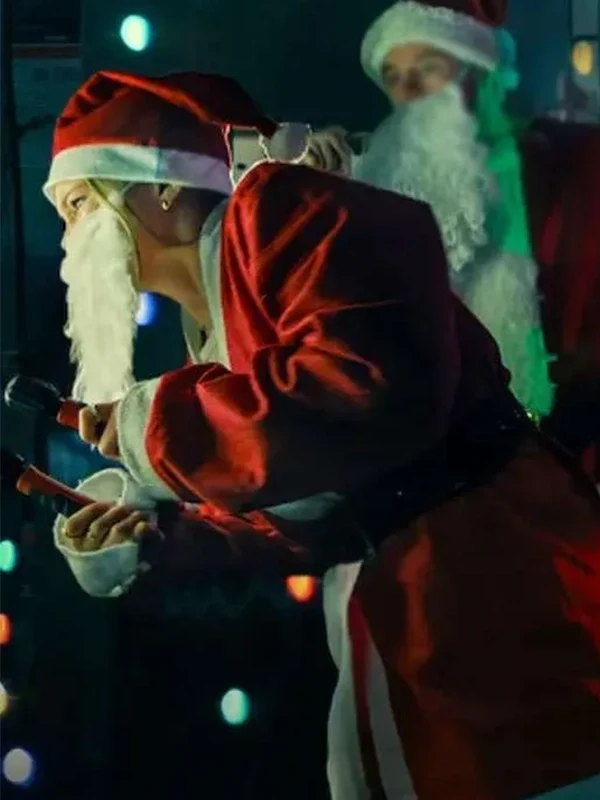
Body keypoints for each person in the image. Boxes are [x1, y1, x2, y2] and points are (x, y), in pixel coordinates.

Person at [44, 69, 600, 800]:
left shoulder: (280, 209)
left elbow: (362, 390)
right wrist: (152, 536)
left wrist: (158, 428)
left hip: (491, 580)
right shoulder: (210, 321)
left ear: (160, 186)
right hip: (403, 609)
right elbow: (300, 511)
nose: (68, 240)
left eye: (79, 205)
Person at [305, 0, 600, 479]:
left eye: (428, 69)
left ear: (479, 71)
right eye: (393, 77)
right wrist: (321, 196)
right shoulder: (377, 181)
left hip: (564, 464)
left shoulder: (576, 166)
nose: (408, 93)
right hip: (439, 475)